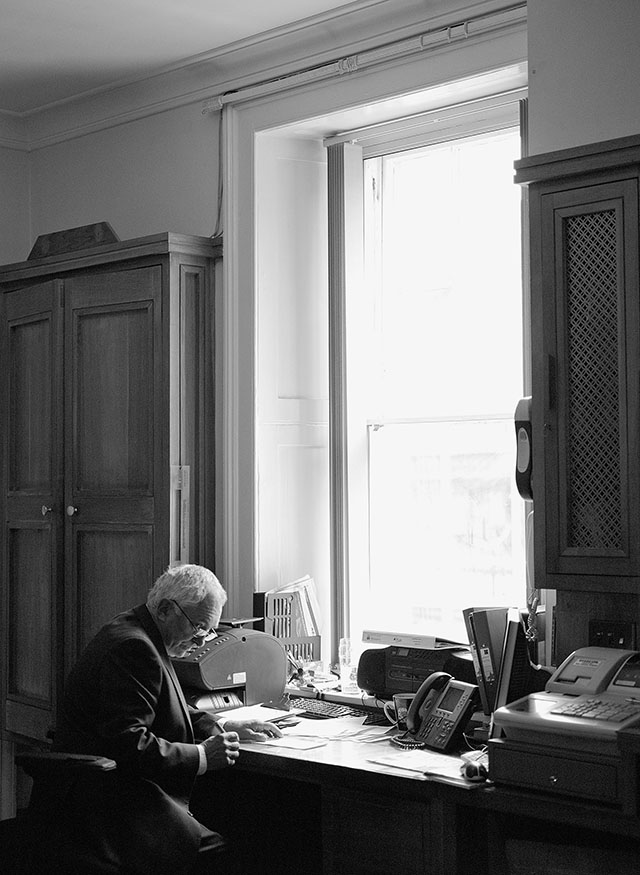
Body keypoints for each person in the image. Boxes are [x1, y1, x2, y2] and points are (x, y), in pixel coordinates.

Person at [51, 564, 282, 874]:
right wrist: (202, 756)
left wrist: (226, 725)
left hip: (114, 792)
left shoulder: (138, 632)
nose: (202, 640)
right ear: (164, 609)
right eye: (199, 626)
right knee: (245, 845)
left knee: (245, 818)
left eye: (209, 630)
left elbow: (168, 706)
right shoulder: (134, 648)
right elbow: (130, 745)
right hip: (112, 806)